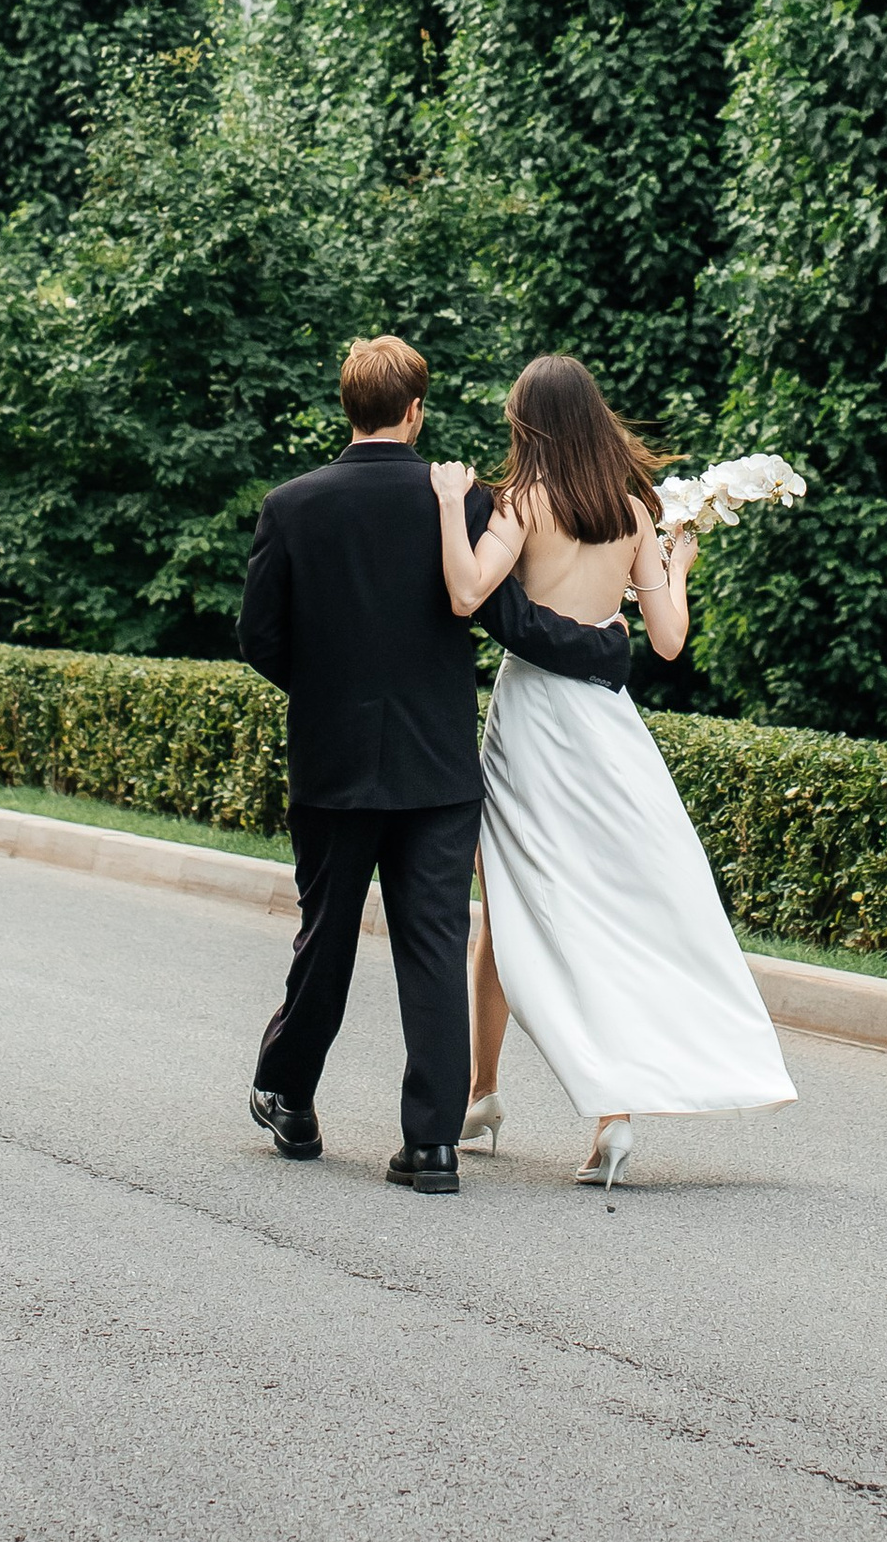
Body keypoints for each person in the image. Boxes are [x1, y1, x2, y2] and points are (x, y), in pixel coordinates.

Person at [239, 334, 635, 1193]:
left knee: (326, 935)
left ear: (349, 407)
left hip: (334, 763)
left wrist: (329, 692)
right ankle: (431, 1147)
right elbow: (514, 622)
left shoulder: (291, 506)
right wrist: (608, 649)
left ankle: (290, 1096)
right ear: (416, 411)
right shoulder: (462, 502)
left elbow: (259, 637)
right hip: (439, 767)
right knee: (433, 945)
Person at [431, 353, 796, 1193]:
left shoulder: (522, 504)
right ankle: (599, 1112)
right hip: (606, 726)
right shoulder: (633, 513)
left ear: (528, 424)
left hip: (532, 721)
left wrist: (452, 506)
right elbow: (667, 640)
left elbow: (466, 593)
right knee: (600, 911)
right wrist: (677, 569)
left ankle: (494, 1093)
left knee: (509, 909)